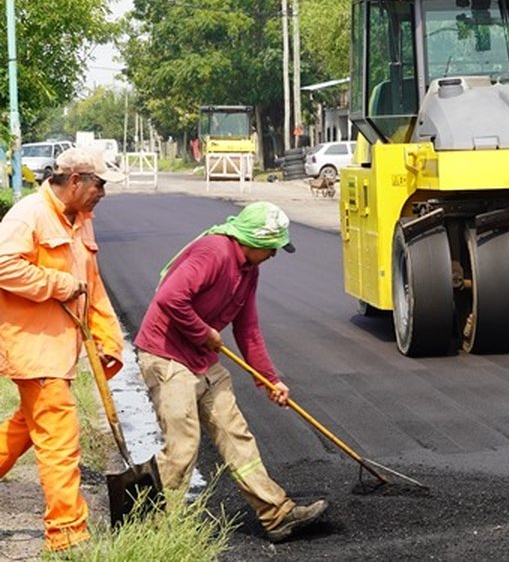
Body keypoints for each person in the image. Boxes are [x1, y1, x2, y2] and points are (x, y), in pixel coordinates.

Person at [134, 201, 327, 543]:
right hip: (167, 356)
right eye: (271, 248)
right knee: (183, 445)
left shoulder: (249, 270)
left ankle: (276, 514)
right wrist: (203, 332)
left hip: (203, 360)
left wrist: (268, 379)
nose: (274, 255)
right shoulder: (213, 252)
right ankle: (156, 530)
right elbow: (169, 297)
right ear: (252, 240)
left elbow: (247, 328)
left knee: (236, 434)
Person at [0, 147, 126, 552]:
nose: (104, 193)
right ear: (76, 181)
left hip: (61, 349)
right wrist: (58, 284)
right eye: (100, 184)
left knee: (27, 426)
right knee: (59, 437)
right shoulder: (29, 214)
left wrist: (108, 337)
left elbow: (92, 284)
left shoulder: (82, 221)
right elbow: (3, 266)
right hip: (33, 346)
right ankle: (67, 531)